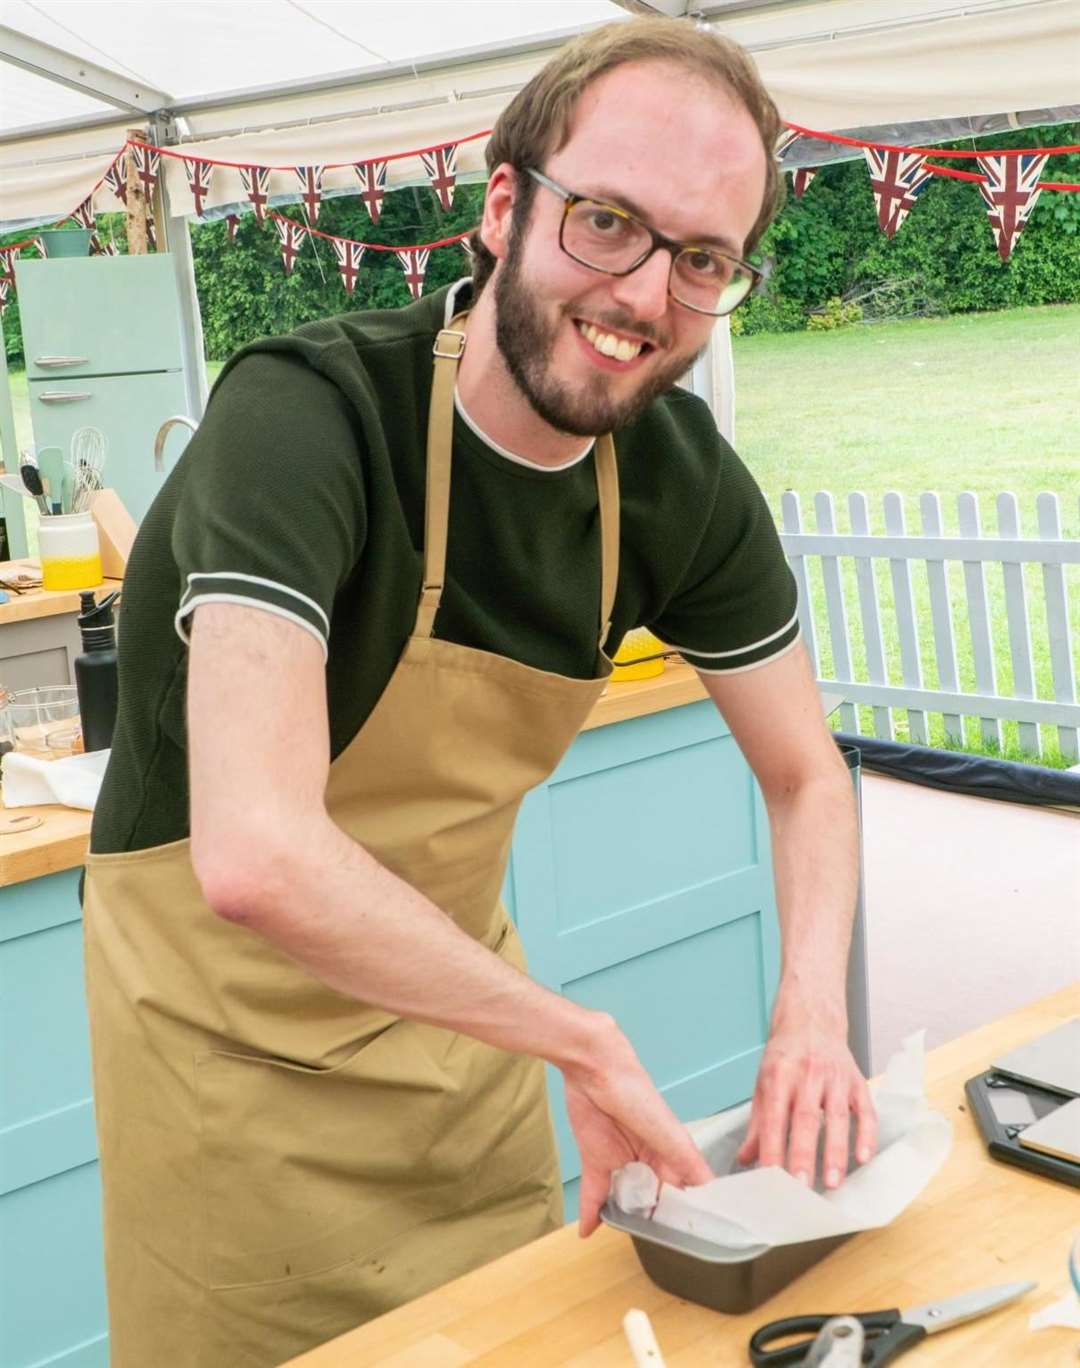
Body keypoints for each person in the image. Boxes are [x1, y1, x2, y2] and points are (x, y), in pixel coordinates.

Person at [83, 15, 876, 1366]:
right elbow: (258, 856)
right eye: (608, 221)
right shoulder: (305, 417)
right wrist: (579, 1039)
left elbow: (807, 776)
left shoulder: (680, 485)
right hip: (225, 1075)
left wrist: (810, 1008)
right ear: (503, 207)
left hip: (465, 1056)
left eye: (702, 259)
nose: (644, 297)